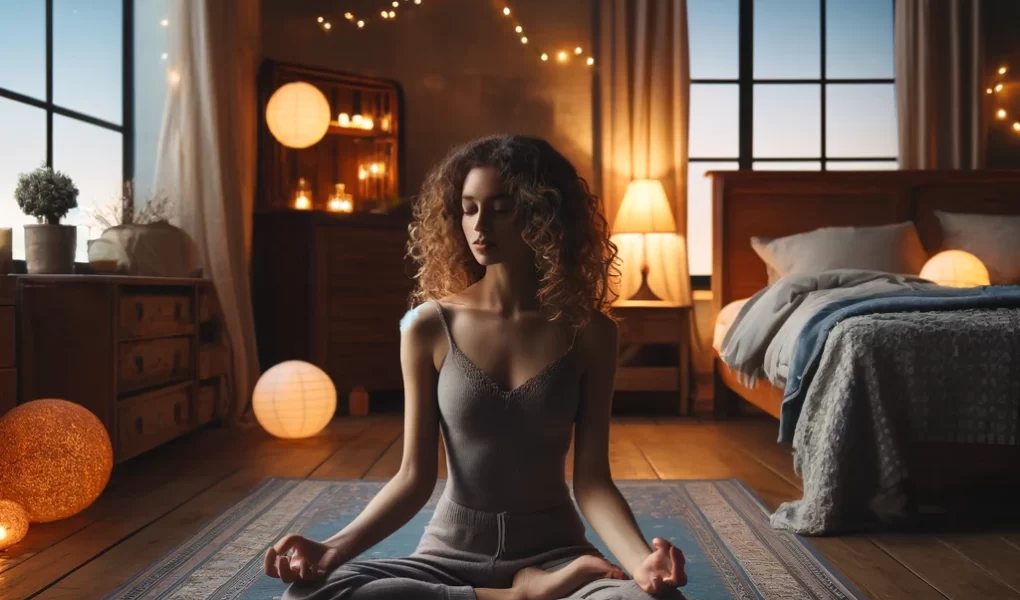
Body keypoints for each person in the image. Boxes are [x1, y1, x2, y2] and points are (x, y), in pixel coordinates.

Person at [265, 135, 687, 600]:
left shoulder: (590, 333)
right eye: (468, 208)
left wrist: (639, 563)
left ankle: (532, 591)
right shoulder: (428, 326)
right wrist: (330, 551)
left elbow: (592, 481)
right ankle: (517, 598)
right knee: (310, 596)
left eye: (501, 207)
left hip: (558, 556)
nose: (479, 224)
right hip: (449, 559)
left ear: (542, 214)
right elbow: (413, 477)